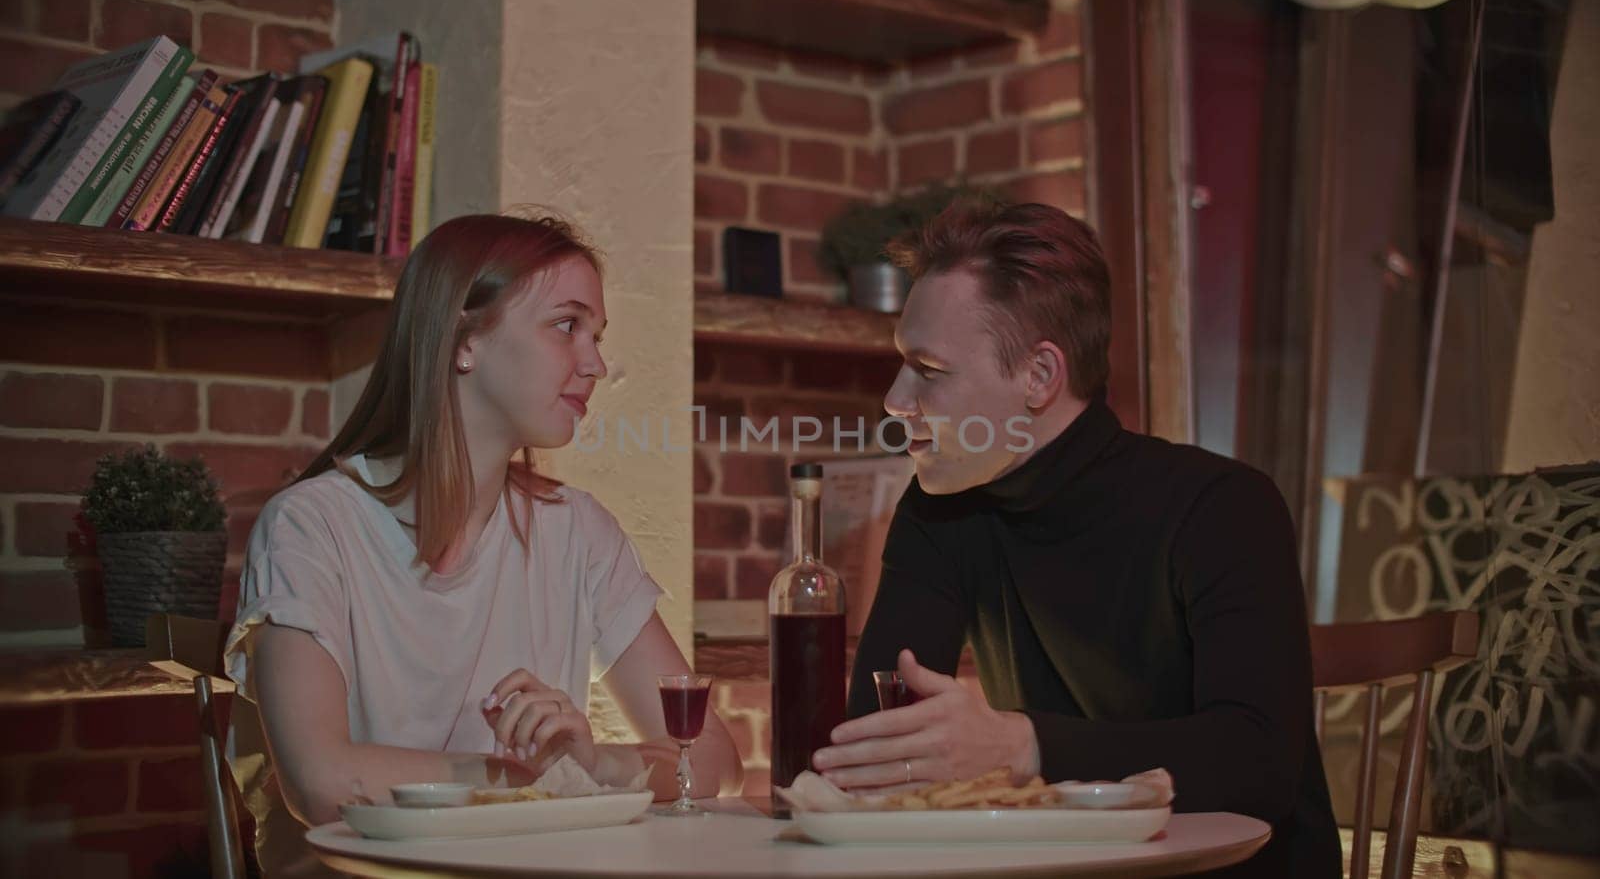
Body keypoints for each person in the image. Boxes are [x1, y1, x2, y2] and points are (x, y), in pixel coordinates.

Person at [812, 202, 1340, 876]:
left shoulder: (1222, 506)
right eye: (900, 365)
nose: (893, 398)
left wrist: (1022, 747)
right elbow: (876, 749)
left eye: (930, 370)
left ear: (1038, 377)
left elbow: (1258, 763)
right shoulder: (940, 510)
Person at [224, 213, 742, 878]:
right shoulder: (310, 525)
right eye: (567, 326)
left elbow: (714, 761)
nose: (596, 363)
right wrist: (531, 778)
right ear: (463, 341)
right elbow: (324, 784)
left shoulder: (578, 529)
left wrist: (589, 763)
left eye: (597, 335)